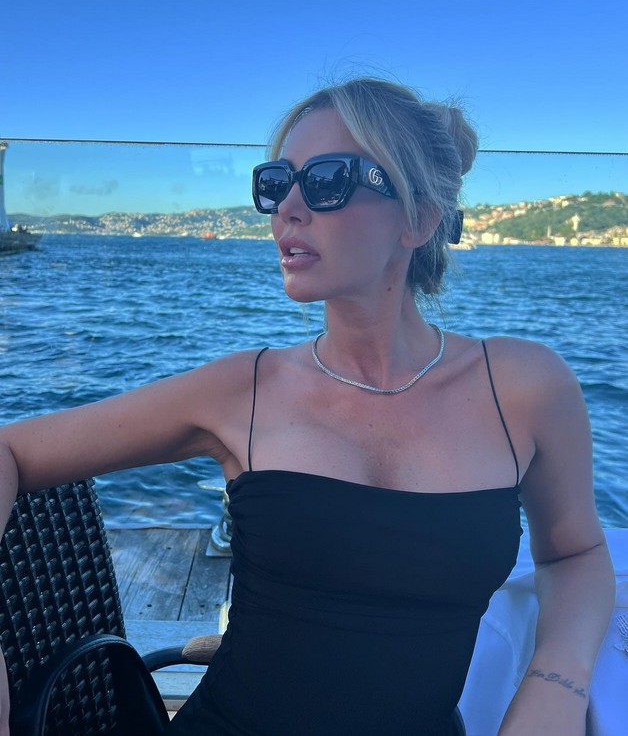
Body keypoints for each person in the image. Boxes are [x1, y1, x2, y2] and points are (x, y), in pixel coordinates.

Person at [0, 77, 615, 735]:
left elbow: (574, 554)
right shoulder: (242, 391)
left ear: (418, 218)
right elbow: (12, 450)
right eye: (276, 184)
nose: (287, 208)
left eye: (327, 181)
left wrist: (557, 681)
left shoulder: (523, 387)